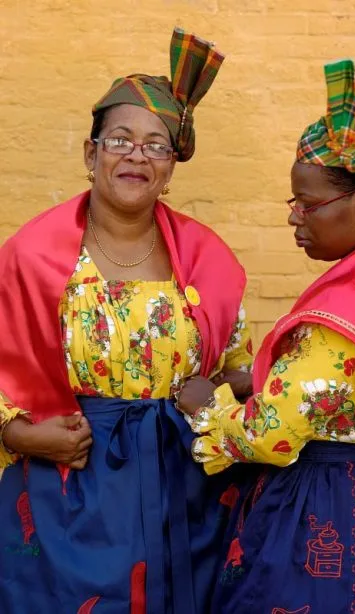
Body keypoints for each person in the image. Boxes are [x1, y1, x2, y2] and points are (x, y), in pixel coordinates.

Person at [176, 59, 355, 613]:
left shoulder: (349, 309)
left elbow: (270, 434)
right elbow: (343, 391)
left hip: (333, 511)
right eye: (294, 203)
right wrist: (259, 380)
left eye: (308, 204)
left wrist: (206, 406)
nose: (294, 218)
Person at [0, 28, 253, 613]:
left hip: (186, 492)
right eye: (120, 139)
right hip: (69, 487)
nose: (137, 155)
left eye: (156, 145)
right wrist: (17, 434)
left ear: (171, 167)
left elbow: (239, 369)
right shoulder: (31, 257)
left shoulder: (208, 259)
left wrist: (223, 389)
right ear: (91, 155)